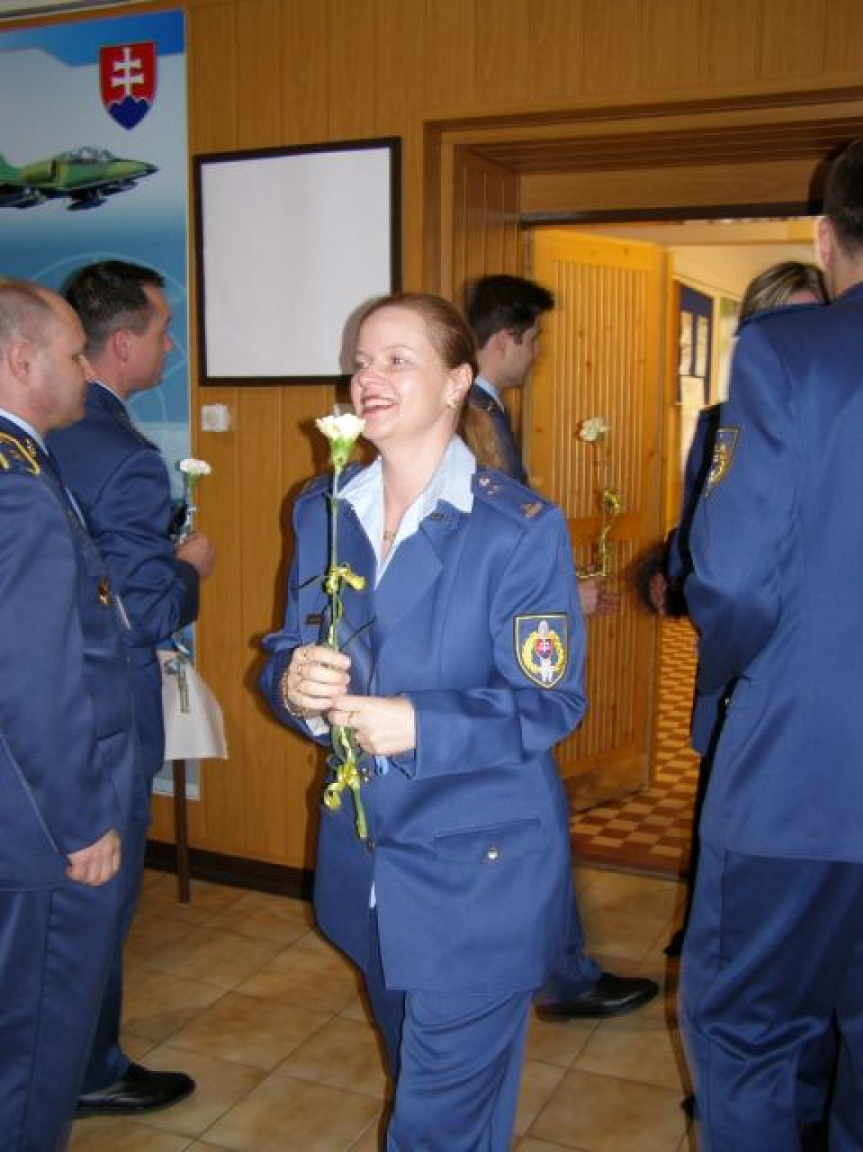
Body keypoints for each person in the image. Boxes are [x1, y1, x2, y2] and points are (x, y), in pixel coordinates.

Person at [260, 292, 586, 1151]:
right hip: (366, 869)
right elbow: (291, 645)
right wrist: (293, 683)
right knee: (434, 1093)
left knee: (434, 1127)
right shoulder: (324, 507)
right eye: (362, 362)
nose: (369, 377)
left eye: (398, 360)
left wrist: (421, 723)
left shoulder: (517, 528)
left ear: (457, 383)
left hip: (477, 878)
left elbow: (551, 700)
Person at [679, 138, 863, 1151]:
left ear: (826, 237)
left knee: (748, 1034)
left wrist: (730, 686)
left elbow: (735, 576)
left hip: (802, 769)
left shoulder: (791, 352)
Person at [464, 272, 658, 1019]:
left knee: (531, 823)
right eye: (535, 338)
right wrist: (557, 599)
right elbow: (480, 551)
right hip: (494, 667)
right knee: (538, 819)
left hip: (493, 655)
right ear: (505, 338)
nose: (539, 353)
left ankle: (548, 970)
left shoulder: (485, 410)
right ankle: (560, 978)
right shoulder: (474, 418)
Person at [48, 261, 215, 1117]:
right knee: (99, 906)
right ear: (121, 344)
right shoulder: (124, 457)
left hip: (37, 715)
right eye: (162, 329)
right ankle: (89, 1069)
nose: (170, 346)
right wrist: (189, 570)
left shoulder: (35, 434)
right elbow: (144, 613)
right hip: (102, 717)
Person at [0, 279, 135, 1149]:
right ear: (22, 361)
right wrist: (83, 822)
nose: (87, 368)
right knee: (35, 1051)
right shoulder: (15, 489)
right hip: (41, 827)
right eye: (75, 351)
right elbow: (32, 678)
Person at [665, 258, 829, 957]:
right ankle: (711, 919)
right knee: (722, 795)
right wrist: (674, 578)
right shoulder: (719, 424)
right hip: (738, 648)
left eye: (811, 317)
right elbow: (698, 532)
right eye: (782, 318)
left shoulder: (837, 416)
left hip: (809, 660)